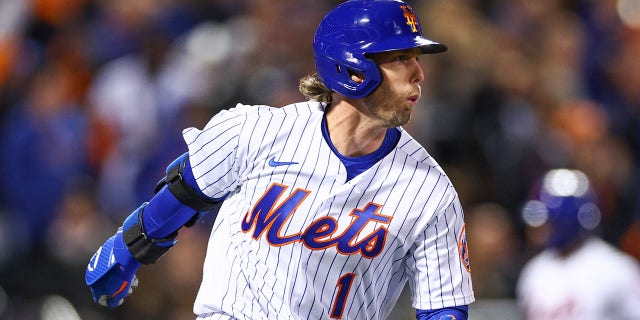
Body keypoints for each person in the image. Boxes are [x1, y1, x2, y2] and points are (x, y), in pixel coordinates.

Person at [85, 0, 475, 319]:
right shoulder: (255, 130)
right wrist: (126, 250)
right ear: (353, 67)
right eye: (401, 58)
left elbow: (443, 309)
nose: (419, 73)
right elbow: (185, 192)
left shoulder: (430, 191)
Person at [517, 168, 640, 319]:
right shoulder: (534, 271)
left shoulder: (615, 269)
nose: (537, 230)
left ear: (566, 218)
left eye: (546, 221)